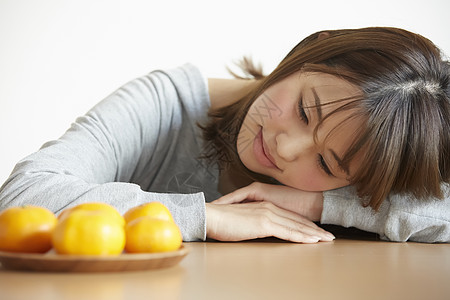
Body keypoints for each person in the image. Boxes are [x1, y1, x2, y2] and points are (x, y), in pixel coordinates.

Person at [0, 27, 449, 243]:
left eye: (328, 164)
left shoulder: (364, 166)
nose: (286, 147)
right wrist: (205, 216)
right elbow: (22, 199)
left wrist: (323, 204)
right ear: (306, 54)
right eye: (304, 110)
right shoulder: (163, 103)